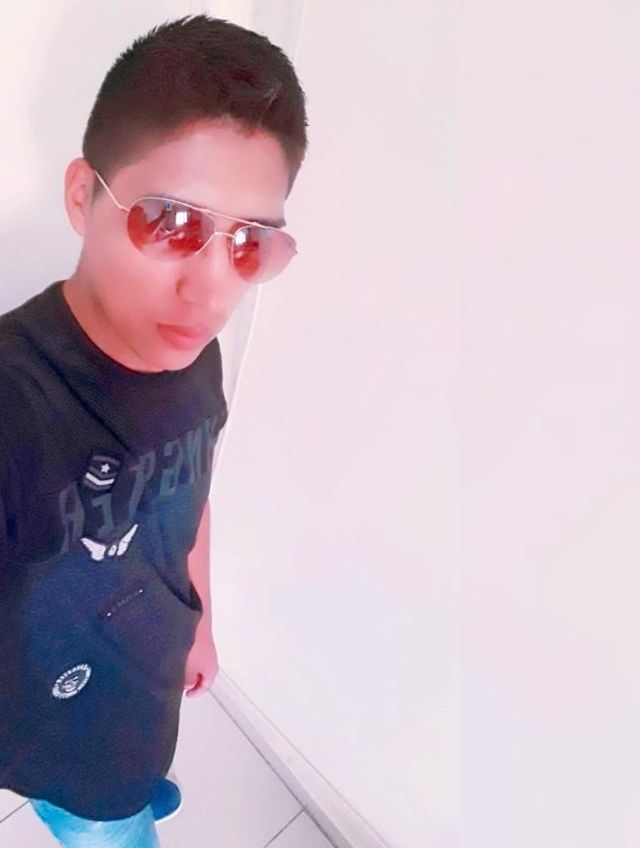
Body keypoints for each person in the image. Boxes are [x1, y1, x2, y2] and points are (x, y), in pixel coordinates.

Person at [0, 13, 308, 847]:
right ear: (82, 196)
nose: (211, 292)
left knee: (142, 776)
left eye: (250, 244)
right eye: (170, 221)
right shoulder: (17, 407)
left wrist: (199, 617)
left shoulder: (196, 357)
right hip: (68, 753)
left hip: (147, 686)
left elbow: (190, 488)